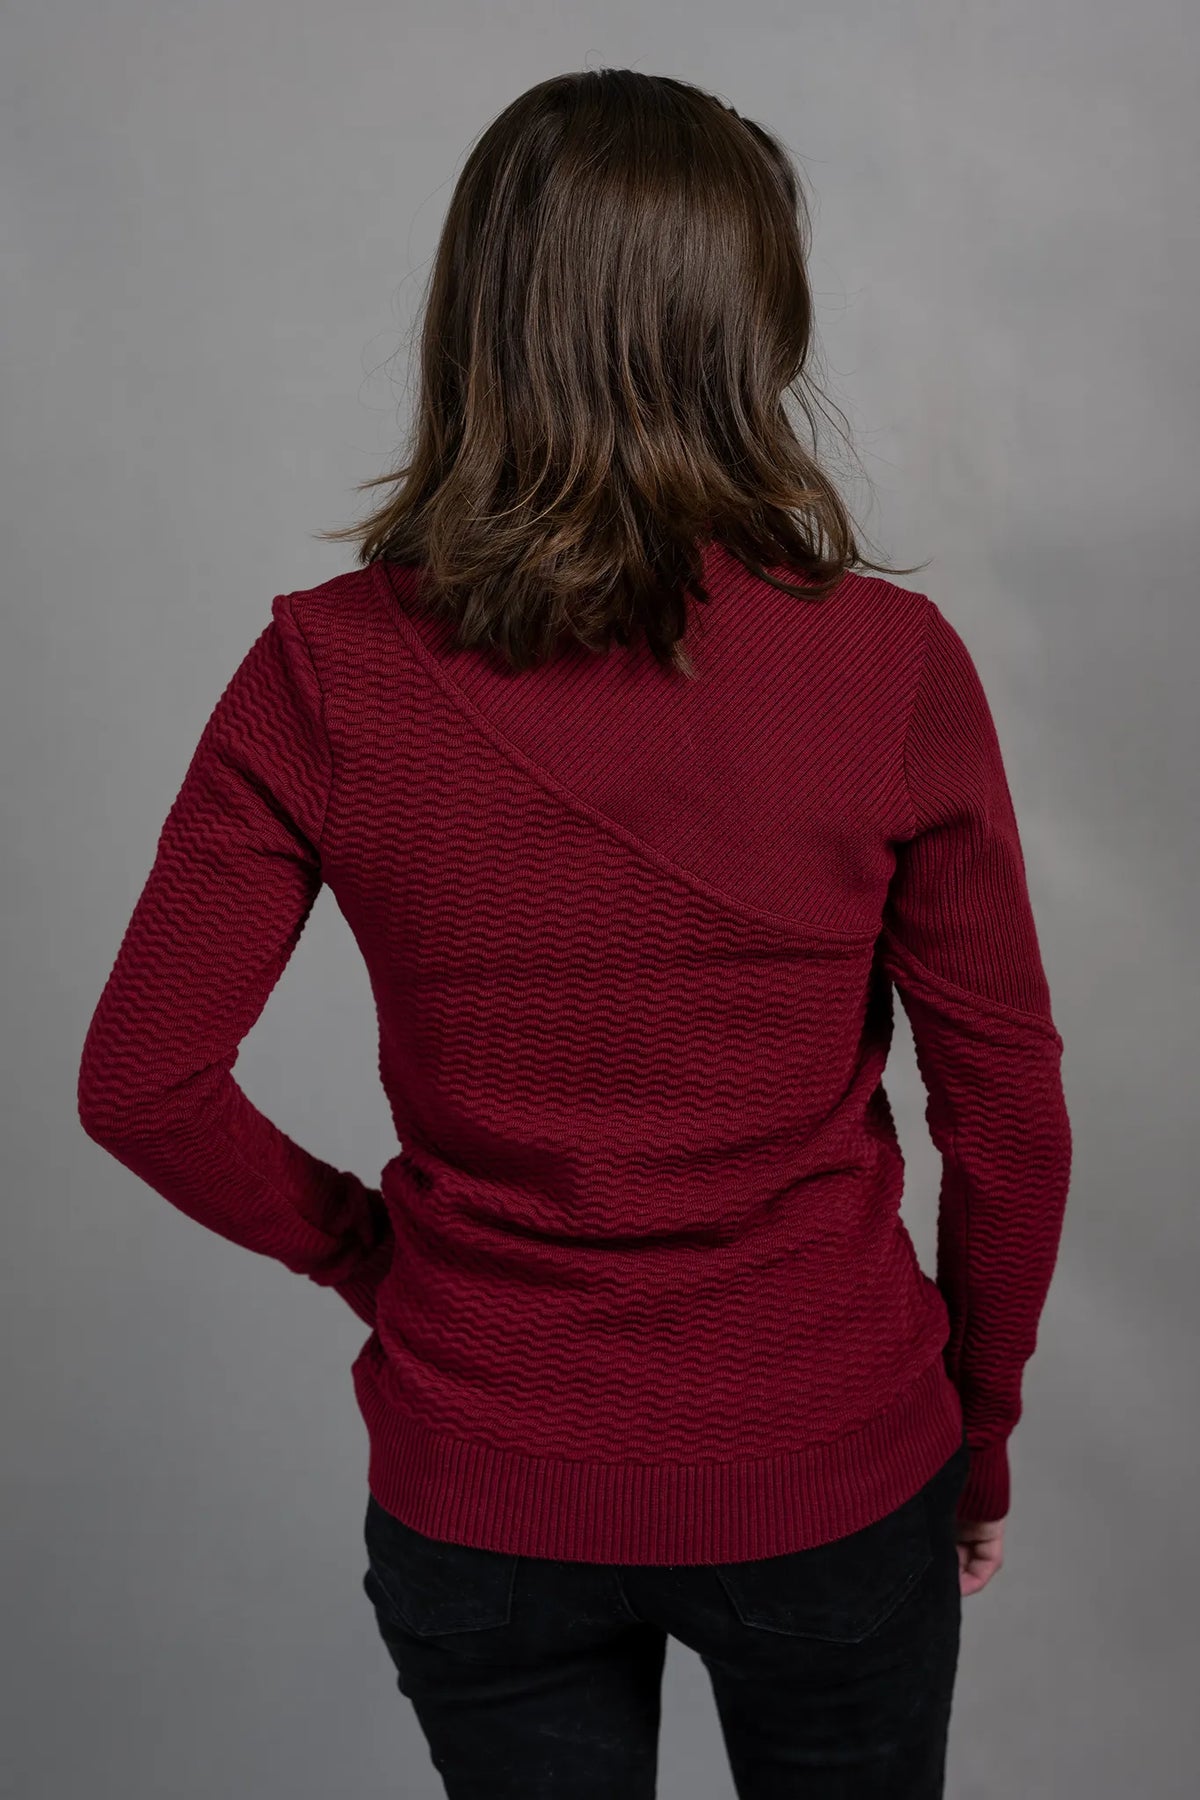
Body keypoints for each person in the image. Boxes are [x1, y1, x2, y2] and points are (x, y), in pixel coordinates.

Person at [76, 66, 1072, 1800]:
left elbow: (141, 1084)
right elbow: (1010, 1120)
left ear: (480, 315)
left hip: (483, 1474)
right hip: (831, 1475)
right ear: (750, 326)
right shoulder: (888, 669)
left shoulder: (323, 670)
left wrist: (373, 1259)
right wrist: (977, 1432)